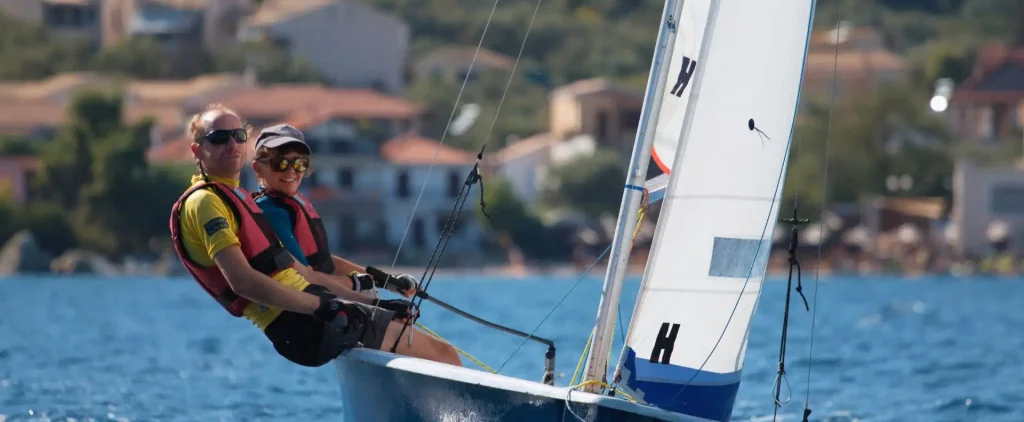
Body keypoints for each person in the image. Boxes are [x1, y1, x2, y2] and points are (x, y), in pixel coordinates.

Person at [168, 104, 462, 368]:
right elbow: (243, 282)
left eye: (238, 136)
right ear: (197, 150)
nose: (231, 144)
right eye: (220, 138)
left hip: (312, 315)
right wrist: (325, 307)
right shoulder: (205, 202)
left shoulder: (235, 197)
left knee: (421, 348)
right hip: (299, 323)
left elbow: (292, 268)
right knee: (446, 356)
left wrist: (372, 303)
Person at [248, 124, 419, 300]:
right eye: (280, 163)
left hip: (329, 302)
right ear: (258, 167)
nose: (291, 170)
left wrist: (385, 281)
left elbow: (322, 261)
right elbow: (303, 277)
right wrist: (357, 286)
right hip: (313, 309)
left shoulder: (295, 203)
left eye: (300, 163)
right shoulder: (269, 211)